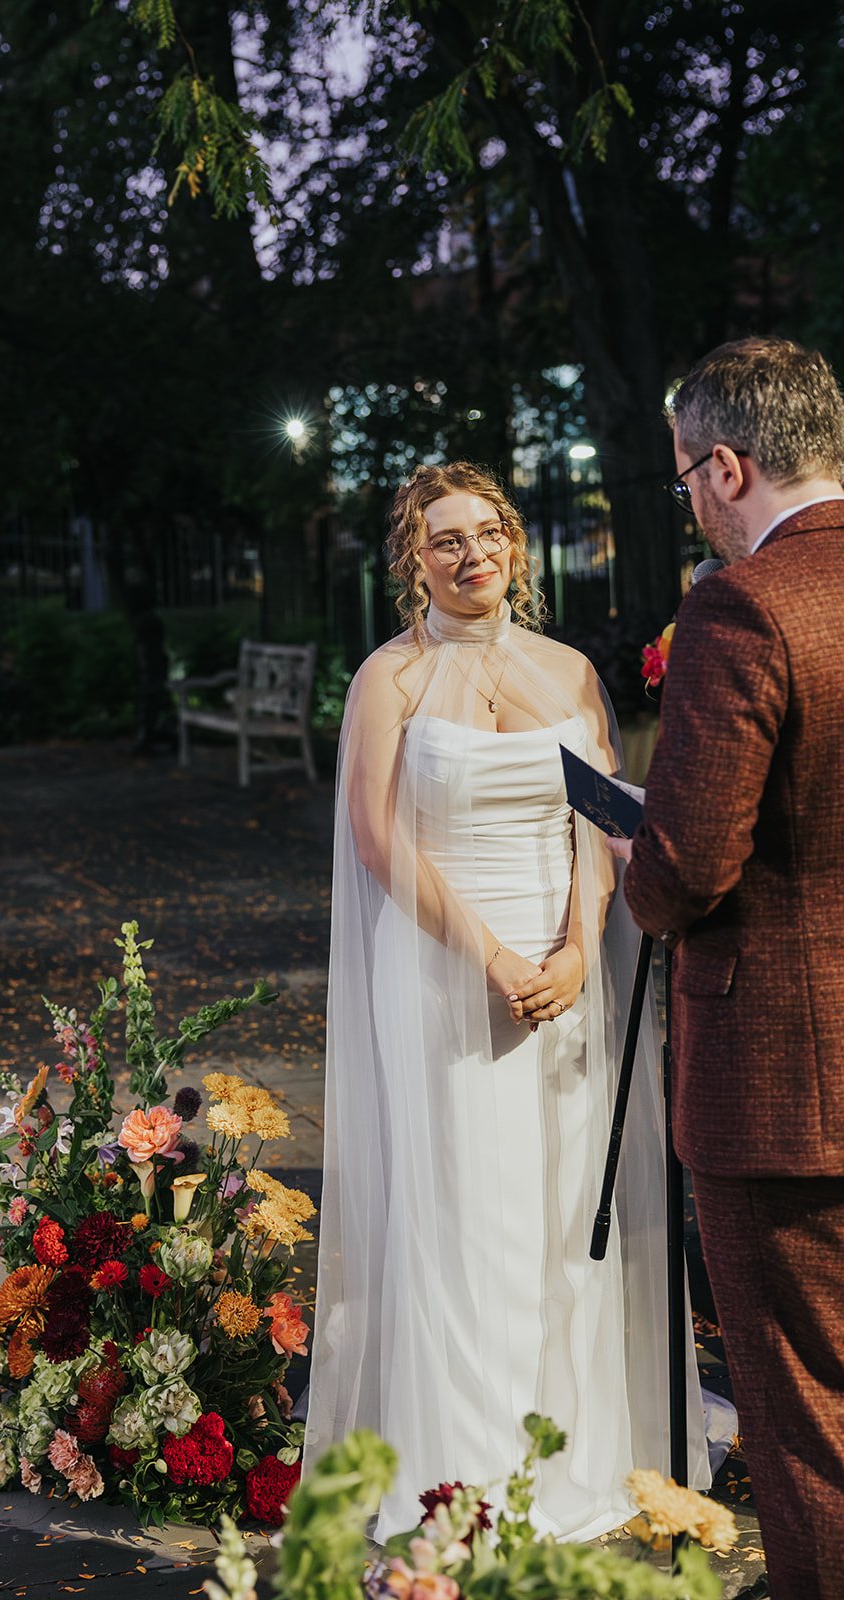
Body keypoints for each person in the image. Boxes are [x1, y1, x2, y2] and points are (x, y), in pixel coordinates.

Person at [304, 460, 709, 1541]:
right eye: (445, 539)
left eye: (487, 533)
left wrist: (581, 947)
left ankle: (569, 1447)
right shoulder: (385, 680)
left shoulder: (572, 673)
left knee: (561, 1205)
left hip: (565, 964)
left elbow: (604, 823)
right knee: (463, 1208)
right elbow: (378, 839)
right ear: (414, 560)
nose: (470, 552)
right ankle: (465, 1470)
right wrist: (486, 953)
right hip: (441, 968)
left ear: (513, 546)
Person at [618, 336, 844, 1600]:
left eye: (683, 480)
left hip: (786, 1088)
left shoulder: (742, 603)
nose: (691, 504)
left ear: (724, 463)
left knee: (805, 1412)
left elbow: (693, 858)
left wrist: (630, 867)